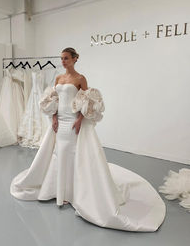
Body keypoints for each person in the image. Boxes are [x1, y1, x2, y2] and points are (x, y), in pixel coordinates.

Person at [10, 47, 166, 232]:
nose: (63, 61)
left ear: (75, 59)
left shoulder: (80, 79)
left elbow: (88, 102)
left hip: (73, 122)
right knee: (60, 154)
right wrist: (53, 118)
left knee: (72, 154)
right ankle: (62, 192)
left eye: (66, 58)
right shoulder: (58, 78)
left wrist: (79, 120)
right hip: (60, 121)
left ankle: (76, 192)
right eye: (62, 58)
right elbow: (54, 99)